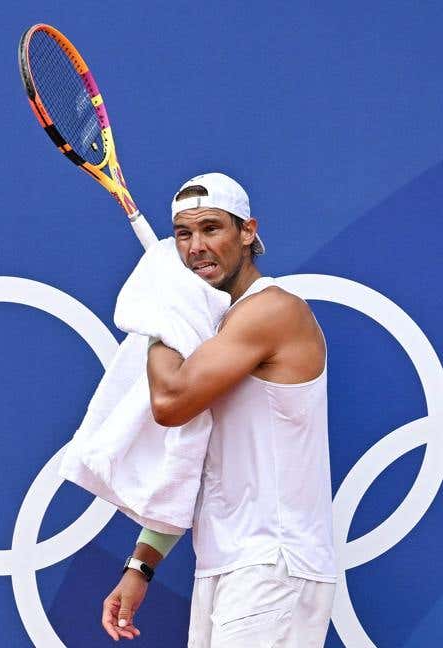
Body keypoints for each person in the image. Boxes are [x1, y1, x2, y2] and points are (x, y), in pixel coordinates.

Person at [99, 173, 337, 646]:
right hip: (228, 566)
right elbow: (194, 456)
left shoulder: (271, 310)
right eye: (184, 234)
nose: (196, 247)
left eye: (212, 229)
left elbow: (170, 404)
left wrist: (161, 309)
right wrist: (142, 565)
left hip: (272, 565)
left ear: (248, 232)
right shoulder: (211, 327)